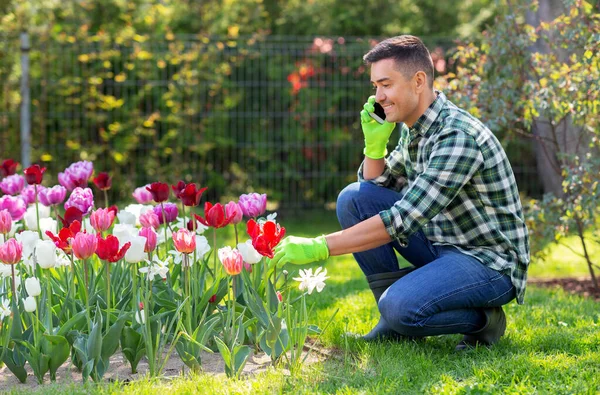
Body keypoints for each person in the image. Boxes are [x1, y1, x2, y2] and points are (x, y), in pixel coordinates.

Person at [271, 35, 530, 350]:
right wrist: (374, 145)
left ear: (418, 81)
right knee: (353, 198)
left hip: (487, 262)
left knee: (401, 308)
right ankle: (392, 321)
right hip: (441, 244)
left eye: (386, 85)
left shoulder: (456, 137)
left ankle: (483, 321)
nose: (378, 96)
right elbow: (373, 190)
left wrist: (320, 246)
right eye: (375, 87)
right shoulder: (415, 130)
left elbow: (402, 219)